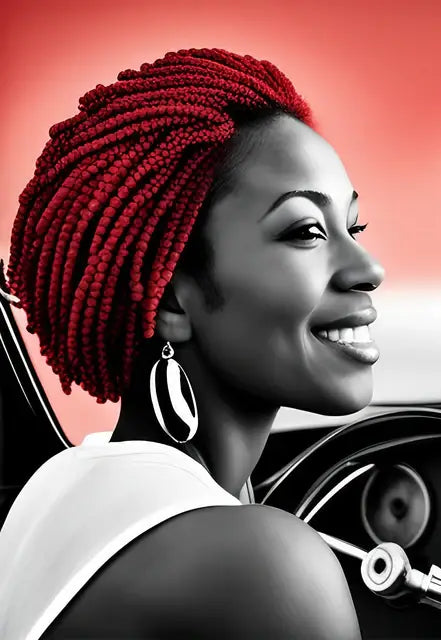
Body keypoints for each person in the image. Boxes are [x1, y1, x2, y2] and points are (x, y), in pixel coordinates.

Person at [0, 48, 384, 639]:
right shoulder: (266, 564)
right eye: (305, 231)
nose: (367, 267)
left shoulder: (53, 487)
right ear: (173, 300)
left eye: (352, 227)